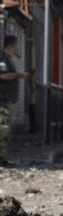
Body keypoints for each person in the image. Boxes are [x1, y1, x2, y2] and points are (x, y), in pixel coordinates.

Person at [0, 35, 28, 167]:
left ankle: (2, 157)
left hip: (7, 100)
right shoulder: (3, 58)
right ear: (13, 45)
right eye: (17, 45)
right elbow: (3, 75)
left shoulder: (9, 59)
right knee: (3, 129)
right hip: (3, 100)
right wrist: (18, 74)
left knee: (5, 129)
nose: (18, 48)